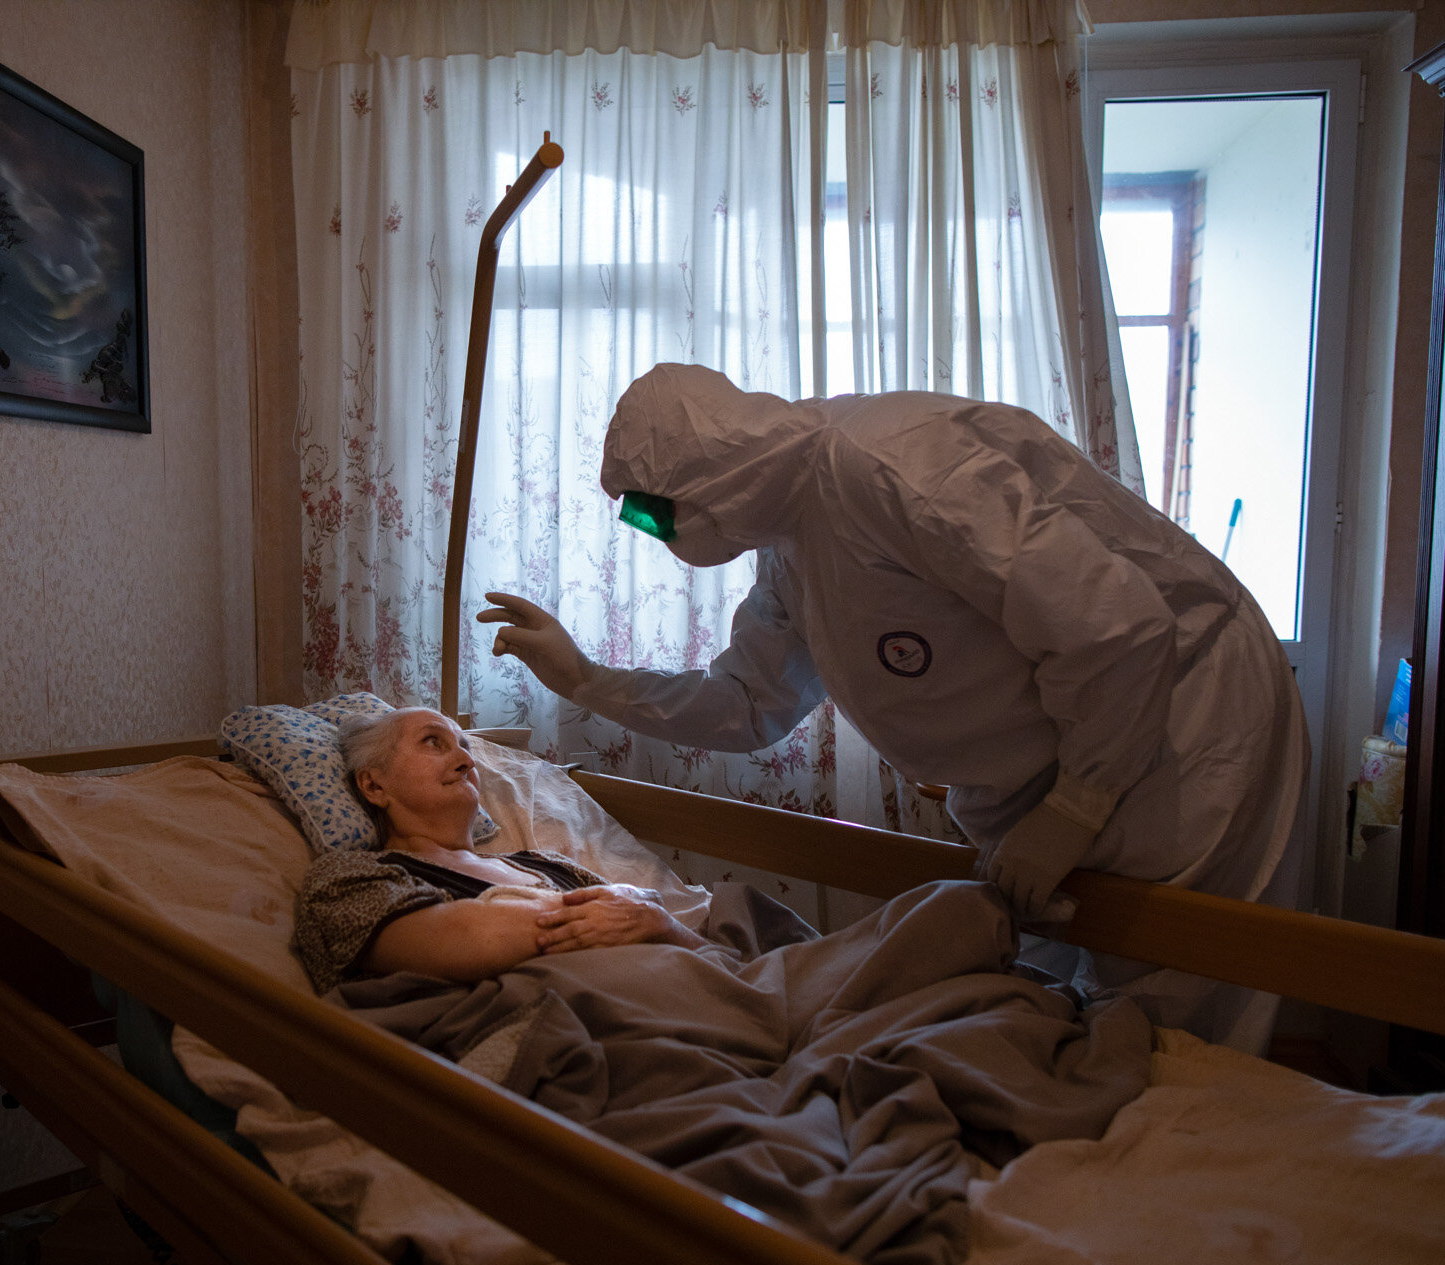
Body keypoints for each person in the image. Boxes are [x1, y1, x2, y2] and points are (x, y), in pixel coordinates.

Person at [478, 363, 1308, 1051]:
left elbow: (1113, 629)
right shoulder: (792, 543)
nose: (656, 536)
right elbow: (745, 705)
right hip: (1046, 792)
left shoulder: (894, 464)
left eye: (654, 512)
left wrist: (1076, 805)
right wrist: (586, 679)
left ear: (704, 473)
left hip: (1179, 731)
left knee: (1180, 1033)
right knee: (1062, 1020)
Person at [294, 706, 707, 993]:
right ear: (373, 785)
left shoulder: (546, 864)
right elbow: (462, 938)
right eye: (433, 743)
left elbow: (706, 957)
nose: (463, 759)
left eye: (464, 746)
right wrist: (612, 916)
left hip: (688, 995)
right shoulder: (349, 878)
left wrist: (662, 922)